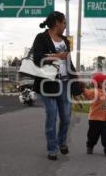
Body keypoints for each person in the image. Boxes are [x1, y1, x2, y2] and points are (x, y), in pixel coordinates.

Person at [32, 11, 77, 160]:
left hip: (64, 83)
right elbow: (37, 59)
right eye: (64, 22)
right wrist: (57, 56)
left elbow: (68, 62)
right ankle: (52, 148)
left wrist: (77, 79)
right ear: (57, 22)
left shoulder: (65, 40)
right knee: (51, 116)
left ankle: (61, 141)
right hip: (48, 84)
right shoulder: (41, 38)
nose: (65, 26)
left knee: (66, 117)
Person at [83, 73, 106, 157]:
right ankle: (90, 146)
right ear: (100, 83)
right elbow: (87, 94)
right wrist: (82, 87)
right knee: (92, 135)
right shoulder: (94, 92)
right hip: (94, 119)